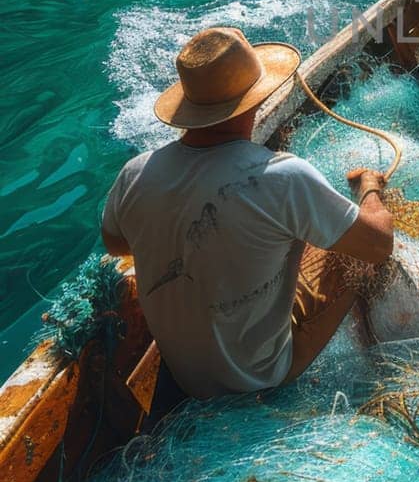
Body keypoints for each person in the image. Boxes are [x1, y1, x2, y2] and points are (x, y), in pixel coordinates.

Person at [101, 26, 393, 400]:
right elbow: (380, 244)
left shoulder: (135, 173)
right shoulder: (283, 177)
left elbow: (115, 244)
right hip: (262, 374)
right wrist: (369, 188)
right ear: (256, 100)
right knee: (360, 260)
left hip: (187, 378)